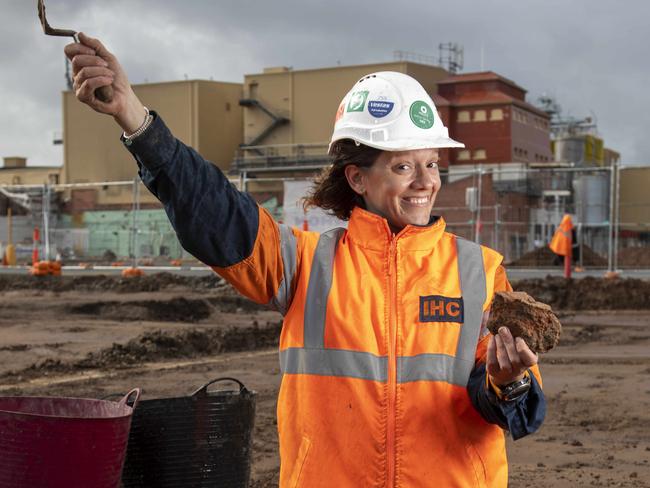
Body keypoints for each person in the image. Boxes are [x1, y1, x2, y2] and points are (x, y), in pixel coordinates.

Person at [65, 34, 545, 487]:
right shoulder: (305, 265)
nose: (425, 181)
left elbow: (519, 412)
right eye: (403, 166)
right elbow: (215, 211)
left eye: (432, 163)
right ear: (357, 179)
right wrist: (134, 117)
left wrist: (510, 383)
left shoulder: (478, 270)